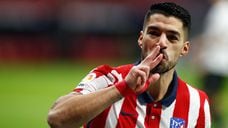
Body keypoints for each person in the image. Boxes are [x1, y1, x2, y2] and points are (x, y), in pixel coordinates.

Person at [47, 2, 211, 128]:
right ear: (141, 39)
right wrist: (123, 88)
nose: (161, 43)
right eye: (154, 33)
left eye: (172, 37)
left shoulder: (198, 102)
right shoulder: (107, 78)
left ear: (185, 48)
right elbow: (56, 119)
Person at [193, 0, 228, 127]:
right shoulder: (220, 9)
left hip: (216, 60)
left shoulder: (221, 11)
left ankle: (215, 120)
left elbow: (215, 36)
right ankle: (214, 119)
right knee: (211, 93)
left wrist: (199, 46)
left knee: (210, 93)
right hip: (217, 59)